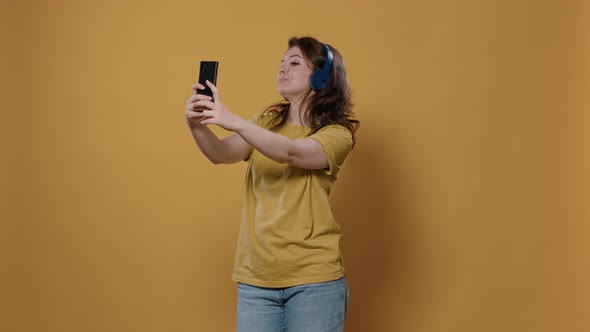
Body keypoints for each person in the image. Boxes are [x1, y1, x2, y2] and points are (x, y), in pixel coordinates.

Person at [185, 36, 360, 332]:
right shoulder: (265, 123)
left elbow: (291, 153)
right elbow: (219, 154)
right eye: (281, 62)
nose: (282, 68)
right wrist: (196, 126)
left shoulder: (336, 134)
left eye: (294, 63)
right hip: (256, 280)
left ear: (321, 76)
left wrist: (236, 122)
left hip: (314, 280)